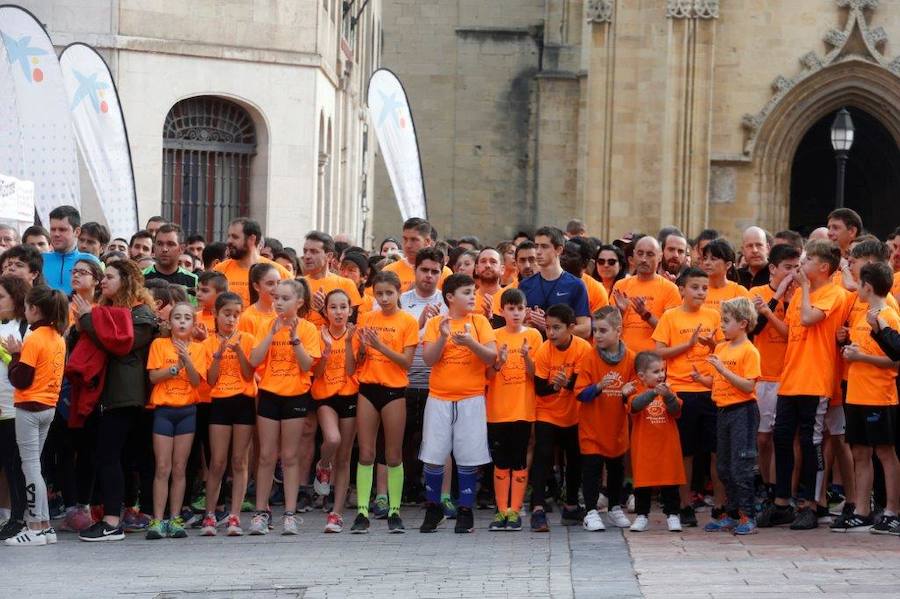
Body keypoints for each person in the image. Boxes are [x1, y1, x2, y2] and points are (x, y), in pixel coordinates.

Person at [758, 240, 845, 531]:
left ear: (822, 267)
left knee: (812, 444)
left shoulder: (834, 294)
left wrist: (805, 288)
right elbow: (791, 331)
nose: (800, 267)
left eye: (806, 261)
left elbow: (809, 319)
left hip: (815, 380)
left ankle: (810, 504)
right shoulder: (797, 296)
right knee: (783, 440)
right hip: (790, 380)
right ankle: (782, 502)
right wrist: (773, 311)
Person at [77, 260, 156, 542]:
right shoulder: (105, 310)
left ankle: (112, 522)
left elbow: (120, 343)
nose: (103, 282)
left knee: (111, 456)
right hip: (106, 394)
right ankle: (113, 515)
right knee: (111, 457)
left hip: (126, 397)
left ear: (127, 280)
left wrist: (88, 319)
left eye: (109, 277)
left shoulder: (142, 313)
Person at [419, 273, 497, 534]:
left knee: (468, 455)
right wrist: (443, 337)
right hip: (439, 397)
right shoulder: (434, 323)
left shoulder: (480, 322)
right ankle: (434, 507)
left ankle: (465, 509)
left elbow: (491, 358)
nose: (472, 296)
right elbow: (429, 359)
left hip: (471, 398)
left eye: (473, 291)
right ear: (450, 297)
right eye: (466, 292)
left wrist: (470, 343)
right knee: (433, 455)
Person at [831, 262, 900, 534]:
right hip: (857, 392)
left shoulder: (889, 315)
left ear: (868, 287)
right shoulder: (864, 314)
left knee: (885, 452)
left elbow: (894, 361)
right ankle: (862, 510)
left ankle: (892, 510)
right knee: (859, 451)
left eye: (858, 284)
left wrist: (860, 357)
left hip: (879, 395)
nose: (854, 288)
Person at [247, 279, 319, 536]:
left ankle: (289, 514)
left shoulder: (309, 329)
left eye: (285, 298)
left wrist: (295, 338)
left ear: (299, 302)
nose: (278, 302)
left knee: (289, 456)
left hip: (295, 396)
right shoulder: (266, 324)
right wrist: (271, 334)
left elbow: (307, 366)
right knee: (266, 455)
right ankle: (260, 513)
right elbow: (254, 359)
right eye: (276, 297)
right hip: (268, 394)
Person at [652, 267, 723, 527]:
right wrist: (689, 345)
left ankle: (720, 505)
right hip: (681, 392)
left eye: (705, 287)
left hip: (711, 391)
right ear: (682, 289)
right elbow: (659, 353)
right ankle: (684, 505)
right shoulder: (670, 317)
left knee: (716, 451)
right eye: (695, 287)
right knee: (686, 453)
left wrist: (711, 345)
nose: (701, 292)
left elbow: (725, 350)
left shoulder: (714, 316)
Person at [350, 272, 418, 534]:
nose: (384, 298)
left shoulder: (407, 322)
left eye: (389, 293)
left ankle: (394, 510)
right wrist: (364, 349)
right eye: (379, 293)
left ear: (399, 292)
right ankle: (362, 511)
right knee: (366, 453)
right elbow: (358, 359)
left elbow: (406, 362)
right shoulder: (366, 318)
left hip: (394, 390)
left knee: (393, 454)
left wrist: (379, 346)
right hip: (368, 387)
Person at [2, 285, 67, 547]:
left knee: (30, 468)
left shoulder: (33, 338)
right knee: (35, 466)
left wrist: (15, 354)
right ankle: (45, 526)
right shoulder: (58, 337)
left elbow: (21, 379)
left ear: (34, 309)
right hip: (49, 406)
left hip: (29, 407)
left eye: (27, 307)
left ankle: (36, 526)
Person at [692, 298, 762, 535]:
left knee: (741, 465)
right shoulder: (721, 347)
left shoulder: (749, 351)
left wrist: (723, 369)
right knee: (723, 466)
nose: (721, 325)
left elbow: (747, 385)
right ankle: (731, 514)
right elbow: (717, 381)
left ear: (743, 323)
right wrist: (702, 379)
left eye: (726, 321)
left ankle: (748, 515)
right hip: (722, 410)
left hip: (743, 411)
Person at [144, 303, 206, 540]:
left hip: (187, 411)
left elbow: (196, 381)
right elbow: (153, 376)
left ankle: (176, 517)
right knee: (162, 467)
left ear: (193, 324)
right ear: (169, 323)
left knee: (180, 467)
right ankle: (157, 520)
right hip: (164, 411)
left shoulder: (198, 348)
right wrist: (174, 367)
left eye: (187, 318)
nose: (182, 322)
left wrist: (186, 360)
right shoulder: (159, 345)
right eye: (177, 318)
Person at [530, 304, 593, 532]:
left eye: (557, 328)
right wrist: (555, 387)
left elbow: (580, 383)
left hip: (575, 415)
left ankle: (571, 506)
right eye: (548, 328)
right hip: (547, 412)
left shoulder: (583, 348)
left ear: (571, 328)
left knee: (575, 459)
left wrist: (564, 384)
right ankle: (537, 508)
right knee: (543, 456)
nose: (551, 333)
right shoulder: (544, 350)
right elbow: (539, 388)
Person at [485, 288, 542, 531]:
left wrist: (527, 358)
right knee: (500, 460)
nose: (516, 313)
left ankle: (515, 510)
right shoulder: (494, 336)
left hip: (523, 408)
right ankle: (501, 511)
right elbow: (486, 375)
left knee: (519, 459)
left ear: (526, 310)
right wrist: (499, 362)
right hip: (497, 409)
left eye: (520, 308)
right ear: (502, 311)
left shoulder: (535, 336)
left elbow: (536, 376)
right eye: (511, 308)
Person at [574, 306, 636, 531]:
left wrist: (628, 393)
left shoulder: (631, 358)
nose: (597, 335)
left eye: (602, 330)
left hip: (617, 428)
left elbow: (635, 395)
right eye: (595, 330)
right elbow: (580, 392)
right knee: (591, 468)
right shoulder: (589, 357)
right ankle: (590, 511)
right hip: (592, 428)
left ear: (618, 330)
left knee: (616, 469)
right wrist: (599, 386)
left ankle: (614, 507)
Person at [201, 292, 256, 537]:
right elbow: (211, 380)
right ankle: (210, 515)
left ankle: (234, 516)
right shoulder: (209, 342)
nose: (231, 319)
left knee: (239, 461)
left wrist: (239, 351)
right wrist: (219, 355)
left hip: (243, 401)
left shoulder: (248, 339)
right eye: (226, 314)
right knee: (217, 461)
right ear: (216, 314)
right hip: (219, 403)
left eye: (236, 314)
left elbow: (248, 374)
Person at [749, 244, 800, 499]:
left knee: (787, 438)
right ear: (773, 268)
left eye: (796, 267)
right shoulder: (756, 292)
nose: (792, 273)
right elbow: (753, 329)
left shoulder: (801, 295)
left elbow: (793, 336)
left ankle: (783, 491)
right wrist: (776, 296)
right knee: (762, 438)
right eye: (787, 267)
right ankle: (766, 484)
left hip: (789, 376)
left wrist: (787, 301)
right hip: (763, 375)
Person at [311, 290, 359, 533]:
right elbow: (316, 374)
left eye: (343, 307)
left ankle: (336, 513)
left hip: (349, 395)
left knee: (345, 457)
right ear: (326, 311)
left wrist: (349, 342)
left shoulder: (355, 335)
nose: (338, 312)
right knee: (332, 439)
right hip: (325, 396)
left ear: (350, 310)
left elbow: (352, 371)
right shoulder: (317, 334)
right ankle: (323, 464)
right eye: (333, 307)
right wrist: (327, 352)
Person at [622, 352, 686, 532]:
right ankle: (642, 516)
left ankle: (673, 515)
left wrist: (667, 396)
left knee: (670, 483)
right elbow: (635, 406)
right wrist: (653, 393)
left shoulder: (669, 391)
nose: (661, 375)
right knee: (642, 484)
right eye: (656, 371)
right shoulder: (636, 392)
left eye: (663, 370)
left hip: (667, 447)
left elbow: (675, 411)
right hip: (644, 449)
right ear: (642, 376)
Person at [611, 236, 681, 353]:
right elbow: (611, 327)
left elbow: (670, 332)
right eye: (640, 253)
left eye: (650, 254)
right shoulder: (620, 285)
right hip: (623, 358)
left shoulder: (670, 289)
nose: (644, 259)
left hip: (653, 361)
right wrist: (621, 312)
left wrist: (646, 314)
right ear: (633, 256)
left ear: (660, 257)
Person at [519, 226, 591, 339]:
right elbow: (516, 328)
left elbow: (585, 330)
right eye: (536, 246)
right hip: (533, 351)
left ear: (559, 250)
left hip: (564, 352)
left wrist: (550, 326)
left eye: (544, 247)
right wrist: (525, 322)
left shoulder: (576, 285)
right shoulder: (525, 285)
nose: (538, 252)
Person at [0, 277, 29, 542]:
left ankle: (20, 518)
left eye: (1, 297)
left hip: (14, 407)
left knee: (14, 466)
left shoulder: (25, 328)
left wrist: (11, 354)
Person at [214, 218, 292, 307]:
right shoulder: (219, 270)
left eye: (235, 237)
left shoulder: (278, 272)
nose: (229, 241)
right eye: (229, 236)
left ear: (252, 239)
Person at [303, 231, 362, 329]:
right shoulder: (297, 284)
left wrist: (323, 309)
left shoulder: (346, 284)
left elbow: (351, 324)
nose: (307, 256)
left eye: (314, 252)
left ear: (329, 256)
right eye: (305, 251)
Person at [383, 218, 452, 291]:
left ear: (427, 241)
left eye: (414, 240)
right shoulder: (388, 271)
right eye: (405, 239)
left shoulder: (445, 273)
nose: (408, 245)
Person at [41, 206, 97, 295]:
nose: (56, 234)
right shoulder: (40, 260)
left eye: (62, 230)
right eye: (53, 229)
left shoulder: (90, 261)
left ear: (77, 232)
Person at [143, 223, 199, 293]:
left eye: (170, 244)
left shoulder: (193, 280)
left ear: (181, 248)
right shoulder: (140, 277)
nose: (164, 249)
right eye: (160, 244)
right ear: (154, 247)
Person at [700, 238, 750, 311]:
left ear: (728, 265)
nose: (707, 263)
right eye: (705, 258)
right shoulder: (697, 290)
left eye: (713, 259)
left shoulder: (739, 292)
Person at [562, 237, 608, 314]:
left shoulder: (596, 290)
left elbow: (600, 323)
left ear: (585, 262)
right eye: (562, 253)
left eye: (570, 255)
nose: (563, 257)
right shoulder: (548, 281)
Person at [474, 247, 505, 325]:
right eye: (483, 261)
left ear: (502, 269)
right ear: (476, 269)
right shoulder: (468, 300)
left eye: (493, 262)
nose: (487, 265)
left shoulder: (510, 298)